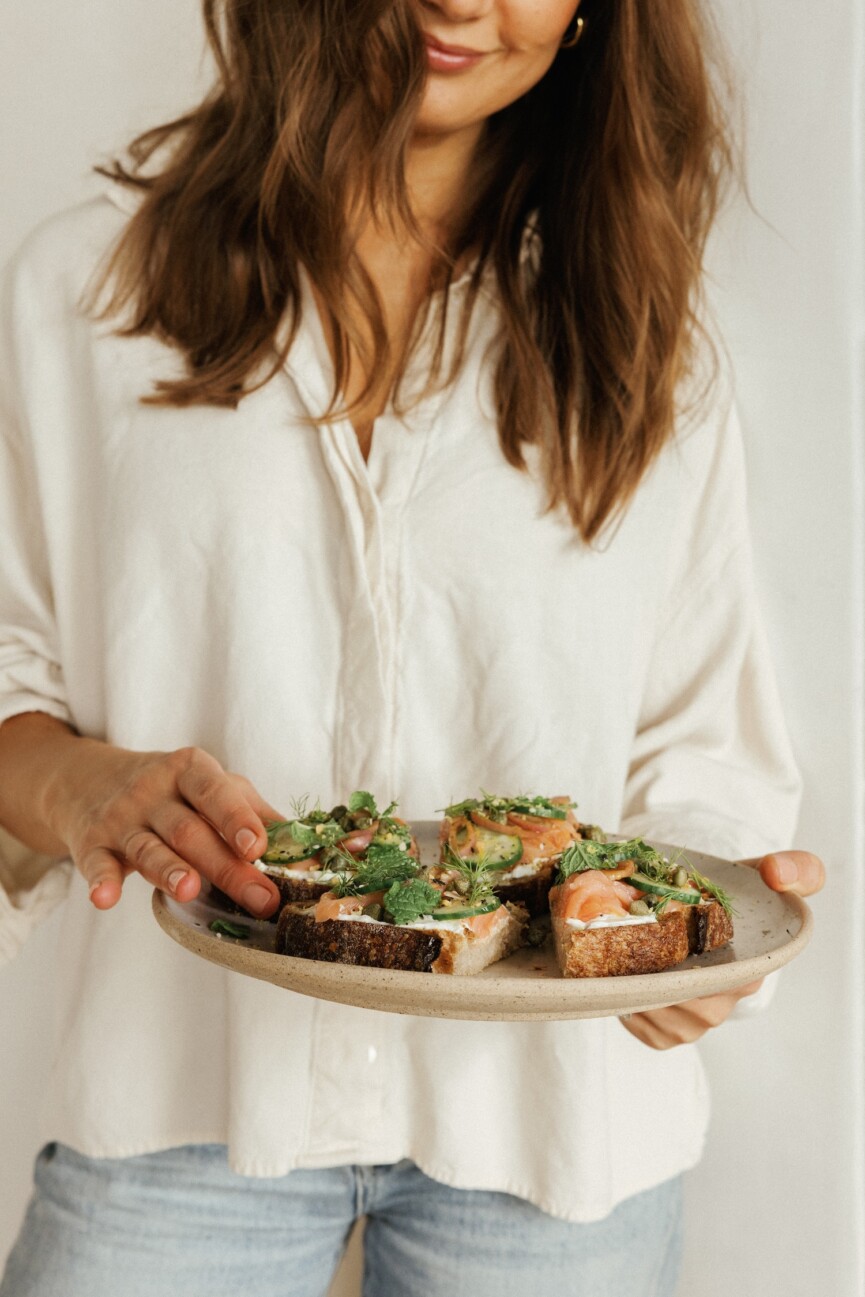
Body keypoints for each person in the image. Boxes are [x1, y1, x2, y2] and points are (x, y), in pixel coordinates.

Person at [0, 1, 825, 1294]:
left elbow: (699, 735)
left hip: (556, 1134)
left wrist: (678, 935)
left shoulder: (646, 330)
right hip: (178, 1094)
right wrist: (84, 785)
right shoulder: (87, 287)